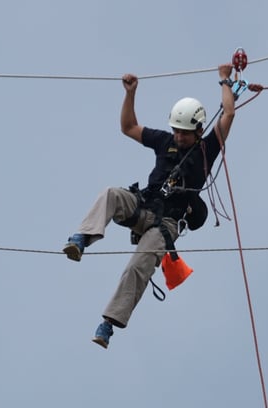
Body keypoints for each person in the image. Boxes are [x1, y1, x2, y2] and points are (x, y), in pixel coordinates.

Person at [64, 63, 250, 349]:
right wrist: (130, 93)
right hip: (143, 205)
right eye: (176, 131)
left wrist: (225, 79)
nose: (178, 136)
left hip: (166, 225)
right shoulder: (164, 141)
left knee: (138, 266)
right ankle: (81, 239)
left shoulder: (207, 148)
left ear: (199, 130)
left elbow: (229, 113)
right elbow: (128, 127)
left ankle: (108, 324)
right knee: (111, 194)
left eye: (184, 133)